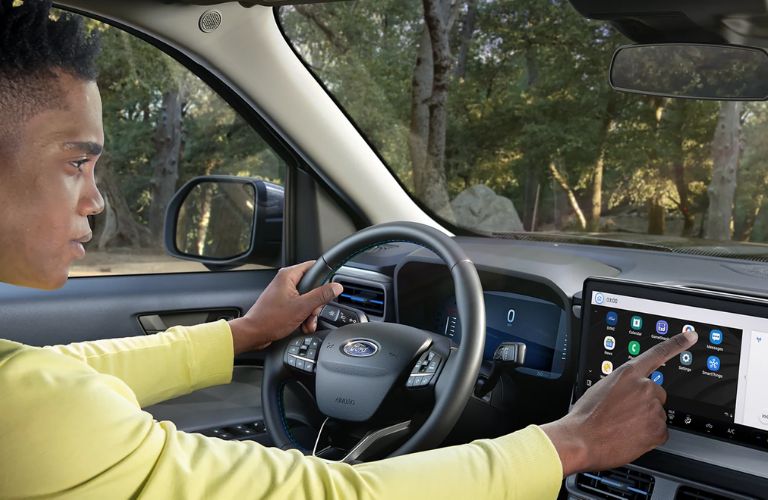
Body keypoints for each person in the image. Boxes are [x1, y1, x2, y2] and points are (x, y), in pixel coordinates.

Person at [0, 1, 698, 498]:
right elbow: (337, 493)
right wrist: (573, 443)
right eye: (76, 163)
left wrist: (243, 335)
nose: (96, 199)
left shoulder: (25, 389)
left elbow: (61, 371)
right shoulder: (36, 417)